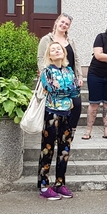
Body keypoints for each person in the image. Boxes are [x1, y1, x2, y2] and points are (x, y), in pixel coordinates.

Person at [37, 41, 81, 200]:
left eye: (59, 49)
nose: (56, 51)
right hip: (51, 114)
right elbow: (51, 88)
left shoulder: (69, 70)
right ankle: (44, 185)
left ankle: (60, 183)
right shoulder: (46, 71)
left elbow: (76, 91)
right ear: (49, 55)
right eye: (53, 49)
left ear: (64, 53)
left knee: (64, 151)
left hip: (67, 114)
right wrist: (66, 89)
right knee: (47, 150)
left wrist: (65, 89)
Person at [37, 13, 83, 129]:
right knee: (54, 109)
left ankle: (69, 133)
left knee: (76, 105)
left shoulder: (70, 41)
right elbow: (40, 59)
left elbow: (76, 59)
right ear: (56, 22)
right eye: (62, 22)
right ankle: (54, 133)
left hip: (70, 80)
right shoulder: (46, 39)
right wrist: (46, 77)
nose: (64, 25)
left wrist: (80, 76)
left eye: (67, 24)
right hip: (54, 82)